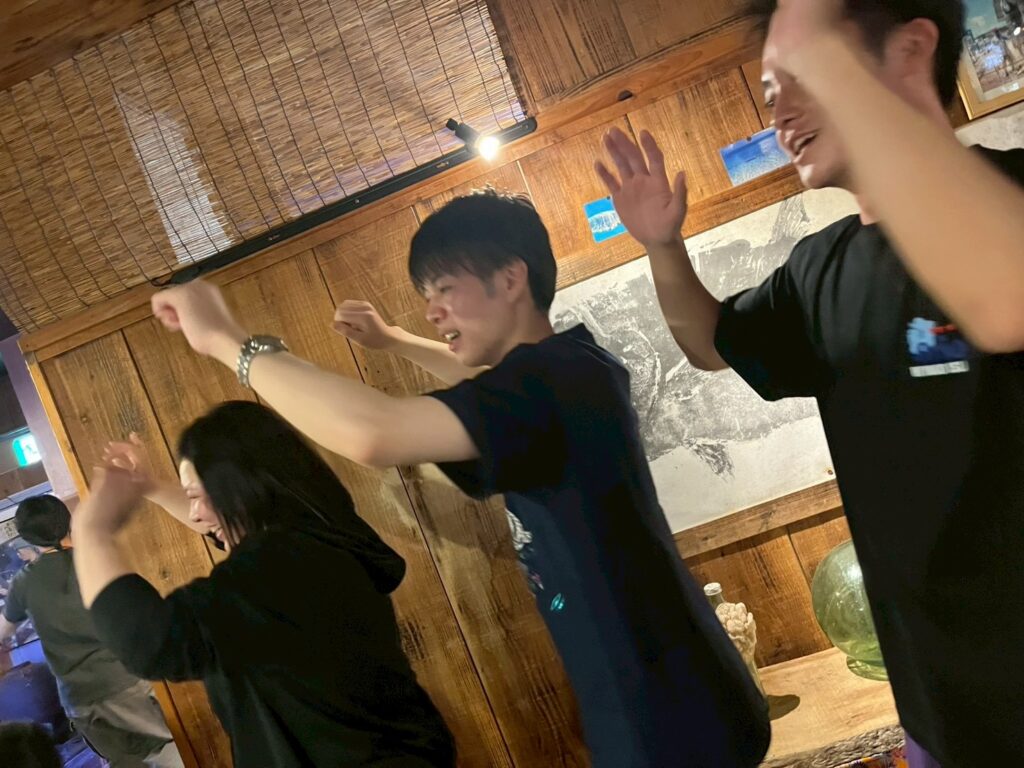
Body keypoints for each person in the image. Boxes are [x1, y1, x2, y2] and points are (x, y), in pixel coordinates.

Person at [147, 190, 771, 767]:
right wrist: (396, 341)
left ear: (511, 278)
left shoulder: (549, 384)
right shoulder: (575, 367)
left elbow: (374, 433)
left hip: (667, 712)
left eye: (444, 288)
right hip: (672, 697)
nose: (431, 309)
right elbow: (485, 384)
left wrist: (230, 343)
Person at [594, 1, 1024, 766]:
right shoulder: (817, 271)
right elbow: (708, 342)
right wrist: (662, 245)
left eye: (806, 74)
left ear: (911, 50)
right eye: (770, 92)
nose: (780, 113)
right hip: (941, 716)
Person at [74, 401, 456, 768]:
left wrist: (91, 531)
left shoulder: (276, 565)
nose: (196, 514)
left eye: (199, 497)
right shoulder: (317, 536)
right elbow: (221, 528)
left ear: (241, 491)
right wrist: (150, 487)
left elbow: (151, 643)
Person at [0, 495, 184, 768]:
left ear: (27, 537)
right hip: (125, 683)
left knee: (124, 764)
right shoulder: (97, 560)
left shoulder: (23, 582)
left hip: (79, 700)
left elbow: (3, 630)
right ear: (68, 521)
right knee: (171, 753)